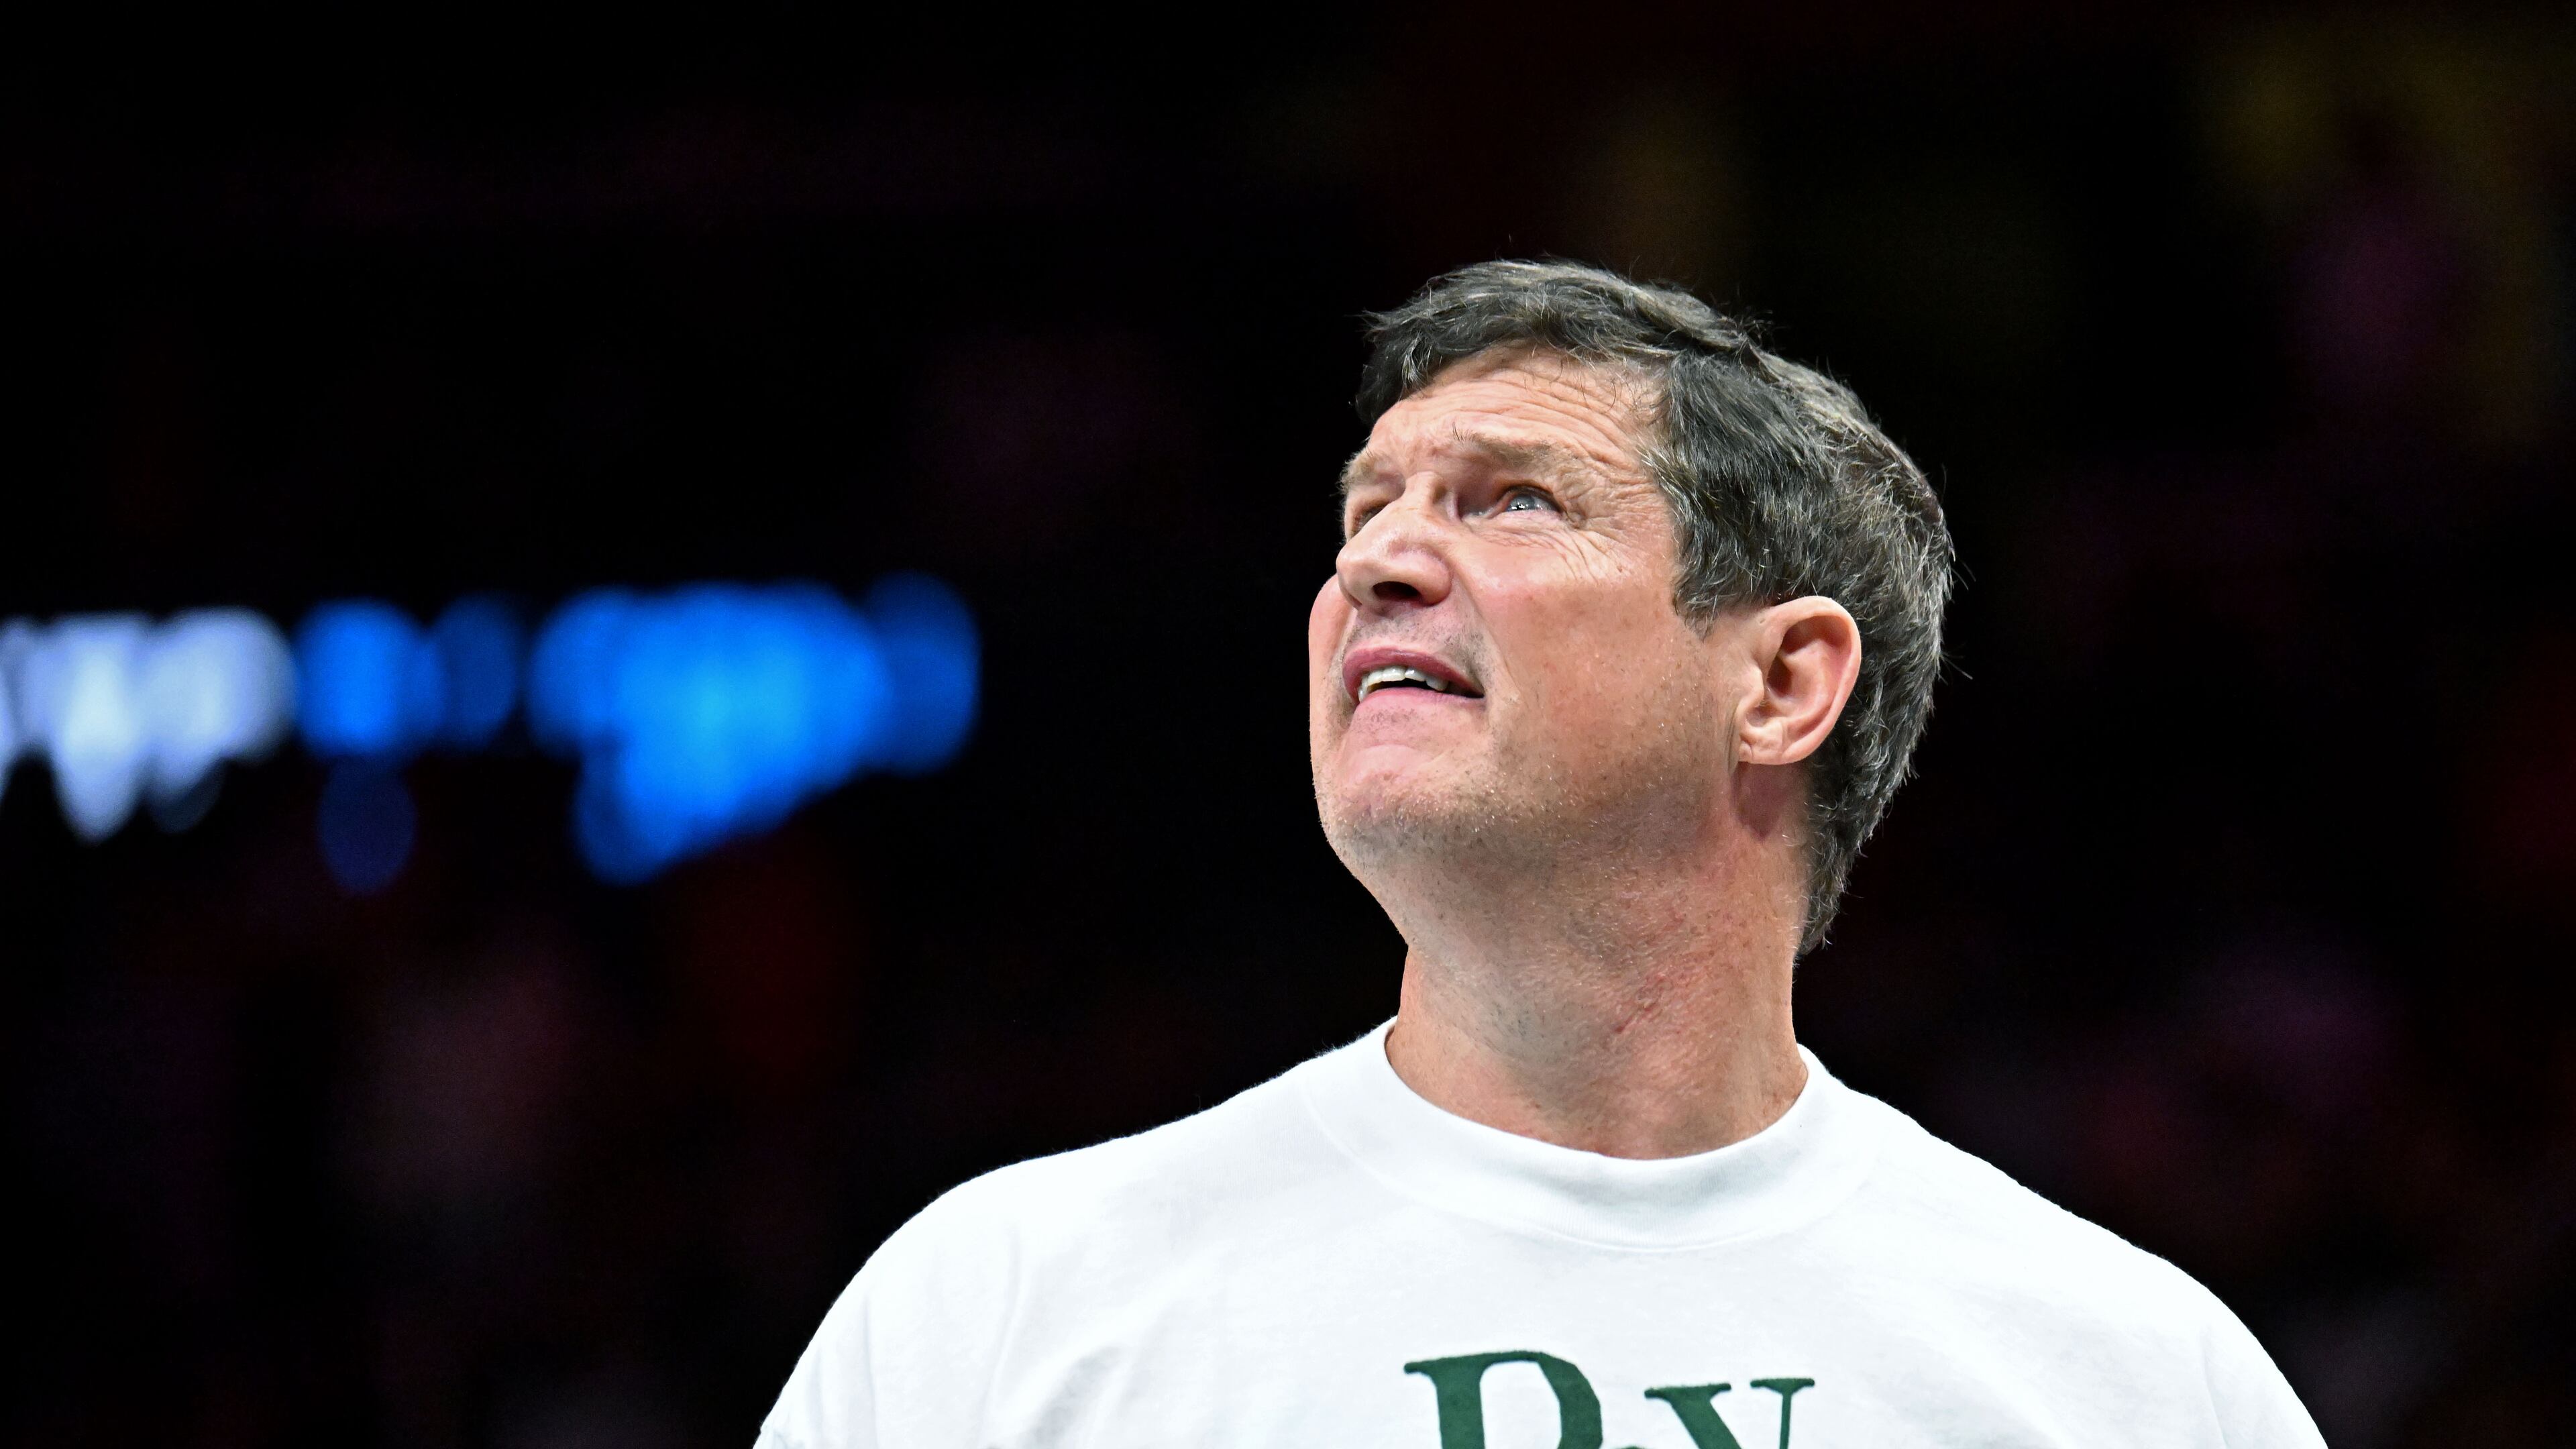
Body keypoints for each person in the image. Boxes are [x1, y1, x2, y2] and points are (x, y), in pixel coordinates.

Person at [757, 261, 2324, 1447]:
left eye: (1510, 500)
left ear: (1779, 684)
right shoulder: (996, 1317)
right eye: (1367, 509)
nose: (1378, 560)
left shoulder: (2123, 1380)